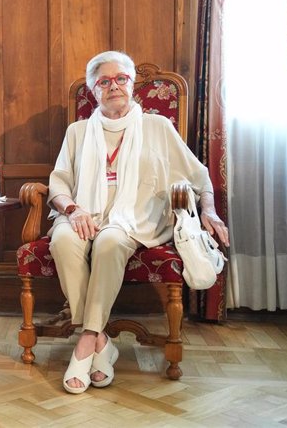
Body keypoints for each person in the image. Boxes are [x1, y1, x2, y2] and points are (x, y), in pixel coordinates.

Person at [47, 51, 230, 394]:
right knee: (63, 241)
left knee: (110, 241)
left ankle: (86, 341)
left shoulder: (157, 126)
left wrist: (210, 211)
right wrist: (73, 210)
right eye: (104, 81)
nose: (113, 85)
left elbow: (199, 176)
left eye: (121, 79)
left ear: (132, 85)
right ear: (93, 90)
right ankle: (101, 340)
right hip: (83, 213)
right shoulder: (78, 132)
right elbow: (58, 184)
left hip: (135, 217)